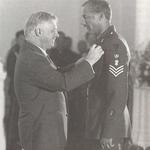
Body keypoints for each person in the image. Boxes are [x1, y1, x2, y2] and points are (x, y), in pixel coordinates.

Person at [14, 11, 104, 150]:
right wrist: (89, 62)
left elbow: (54, 74)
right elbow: (62, 82)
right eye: (52, 31)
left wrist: (80, 63)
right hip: (41, 134)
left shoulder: (35, 53)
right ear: (38, 31)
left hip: (44, 131)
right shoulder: (32, 58)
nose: (56, 35)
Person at [82, 0, 131, 150]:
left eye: (87, 17)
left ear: (101, 16)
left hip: (108, 125)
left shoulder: (113, 45)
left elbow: (117, 91)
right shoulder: (103, 42)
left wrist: (108, 130)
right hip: (100, 122)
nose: (84, 22)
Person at [4, 30, 25, 150]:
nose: (23, 41)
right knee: (14, 113)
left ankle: (21, 137)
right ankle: (12, 138)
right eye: (21, 39)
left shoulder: (27, 51)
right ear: (17, 40)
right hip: (15, 89)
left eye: (24, 39)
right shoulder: (12, 53)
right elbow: (12, 71)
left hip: (25, 90)